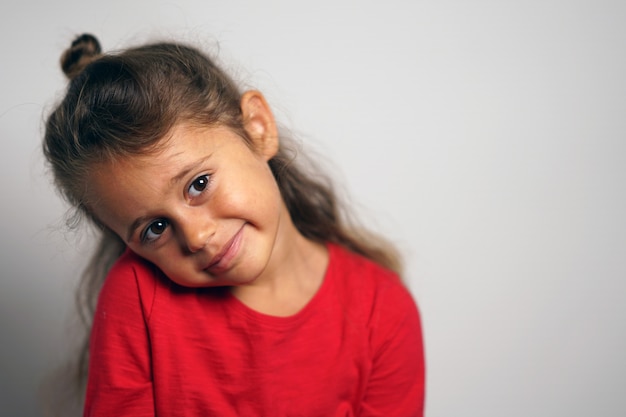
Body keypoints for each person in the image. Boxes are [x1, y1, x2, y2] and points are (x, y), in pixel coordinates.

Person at [43, 33, 425, 416]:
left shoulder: (383, 312)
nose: (196, 237)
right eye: (155, 229)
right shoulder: (139, 300)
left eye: (199, 184)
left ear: (258, 128)